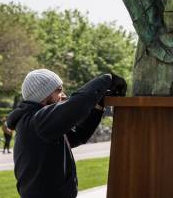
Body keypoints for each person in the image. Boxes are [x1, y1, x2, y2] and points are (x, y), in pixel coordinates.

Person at [8, 68, 127, 198]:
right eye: (59, 90)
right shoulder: (38, 121)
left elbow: (77, 136)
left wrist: (98, 107)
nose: (64, 95)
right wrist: (107, 79)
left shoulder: (39, 123)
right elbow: (77, 104)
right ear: (44, 95)